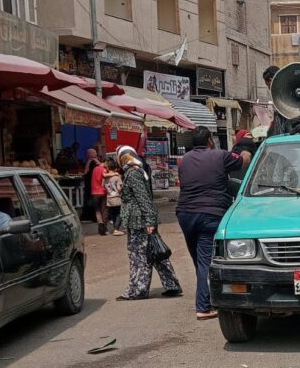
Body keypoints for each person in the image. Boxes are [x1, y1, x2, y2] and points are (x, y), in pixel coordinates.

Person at [176, 127, 251, 320]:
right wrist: (245, 150)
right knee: (204, 262)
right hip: (210, 213)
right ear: (210, 140)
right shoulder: (220, 155)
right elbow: (244, 161)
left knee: (198, 260)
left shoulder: (184, 161)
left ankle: (205, 292)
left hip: (185, 214)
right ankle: (204, 306)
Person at [116, 146, 182, 301]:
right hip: (144, 220)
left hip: (139, 221)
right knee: (156, 253)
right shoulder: (139, 171)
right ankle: (171, 285)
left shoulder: (132, 174)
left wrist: (149, 221)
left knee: (139, 256)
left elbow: (143, 198)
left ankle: (137, 290)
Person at [104, 158, 124, 236]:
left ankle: (115, 228)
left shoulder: (106, 178)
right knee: (119, 214)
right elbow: (119, 188)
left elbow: (103, 186)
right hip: (117, 198)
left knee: (113, 215)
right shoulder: (117, 177)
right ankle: (116, 229)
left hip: (109, 198)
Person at [82, 148, 101, 222]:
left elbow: (86, 173)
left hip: (92, 185)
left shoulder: (93, 162)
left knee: (92, 201)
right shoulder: (93, 162)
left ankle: (92, 217)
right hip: (93, 185)